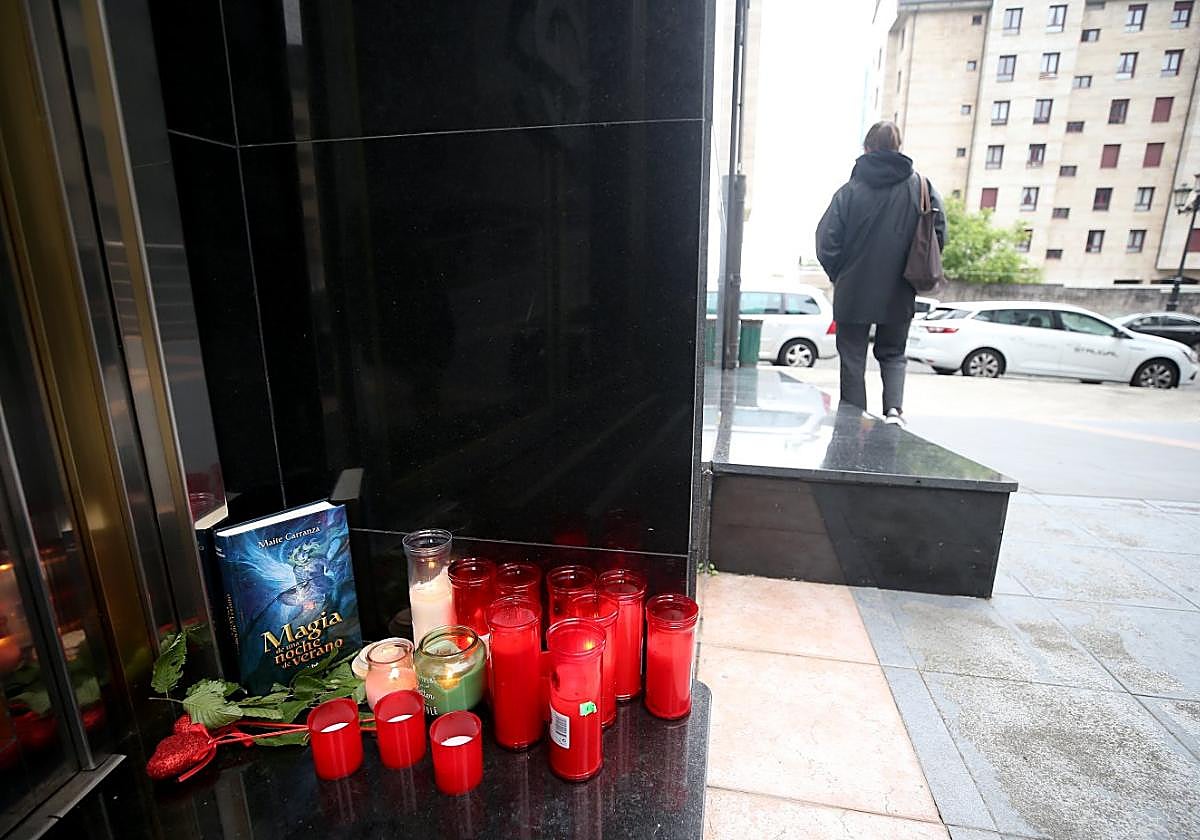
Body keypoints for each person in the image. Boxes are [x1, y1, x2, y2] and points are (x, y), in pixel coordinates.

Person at [815, 121, 946, 426]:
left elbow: (826, 241)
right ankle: (893, 411)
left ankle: (854, 416)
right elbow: (938, 235)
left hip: (853, 288)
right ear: (898, 147)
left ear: (866, 148)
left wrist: (840, 273)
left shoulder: (849, 191)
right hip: (900, 287)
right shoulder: (921, 187)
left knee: (852, 356)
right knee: (893, 352)